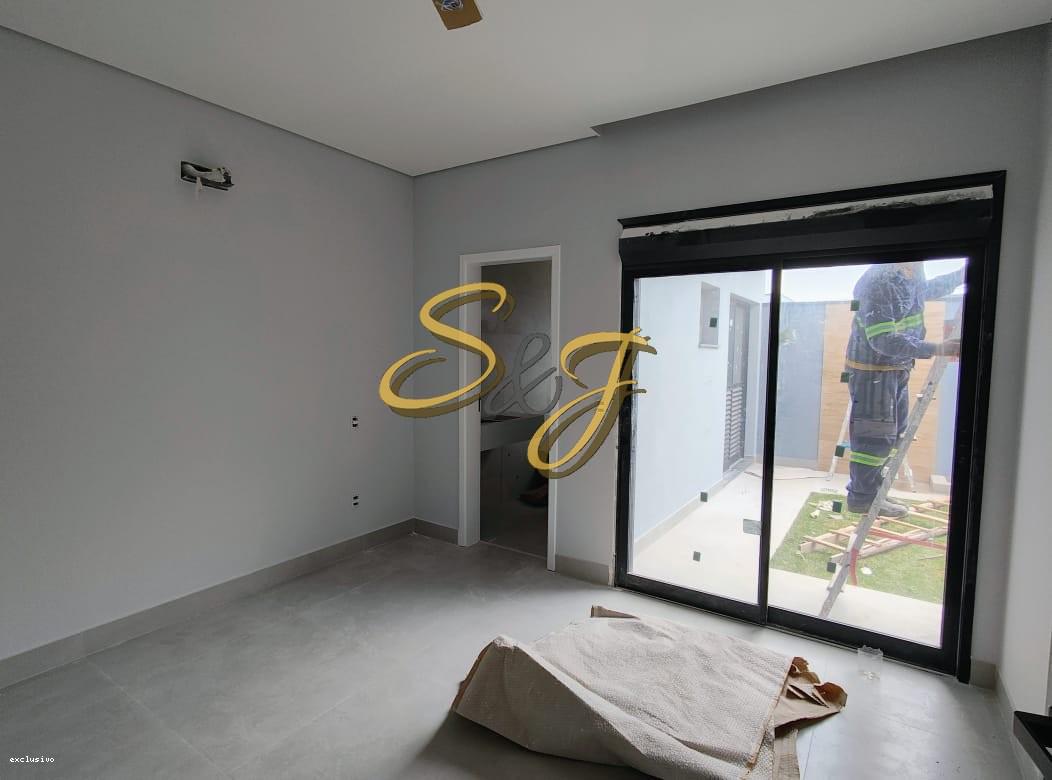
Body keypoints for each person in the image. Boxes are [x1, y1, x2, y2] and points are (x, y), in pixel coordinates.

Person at [844, 262, 963, 517]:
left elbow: (925, 290)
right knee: (874, 439)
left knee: (894, 435)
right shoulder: (880, 281)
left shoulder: (909, 273)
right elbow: (882, 339)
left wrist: (961, 275)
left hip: (895, 368)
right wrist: (936, 348)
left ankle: (873, 492)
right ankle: (861, 497)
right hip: (873, 372)